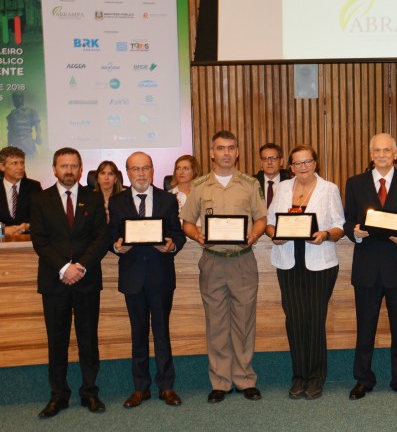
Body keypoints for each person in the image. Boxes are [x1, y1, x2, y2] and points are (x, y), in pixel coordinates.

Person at [180, 130, 267, 403]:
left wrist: (254, 234)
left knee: (244, 323)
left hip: (243, 262)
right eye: (221, 148)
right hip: (213, 263)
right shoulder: (200, 186)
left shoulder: (250, 184)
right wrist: (197, 236)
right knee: (216, 324)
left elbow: (261, 219)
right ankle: (220, 381)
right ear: (211, 153)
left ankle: (244, 379)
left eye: (231, 148)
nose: (226, 153)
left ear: (237, 152)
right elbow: (187, 222)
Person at [343, 133, 397, 400]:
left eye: (386, 150)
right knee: (365, 328)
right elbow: (348, 220)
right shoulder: (355, 184)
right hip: (367, 268)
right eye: (376, 150)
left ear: (396, 153)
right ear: (370, 154)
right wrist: (354, 231)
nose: (381, 155)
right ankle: (363, 379)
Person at [30, 147, 108, 417]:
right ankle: (58, 395)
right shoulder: (40, 200)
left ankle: (90, 393)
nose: (69, 171)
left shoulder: (94, 198)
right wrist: (64, 268)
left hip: (86, 281)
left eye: (74, 166)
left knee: (88, 339)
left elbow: (101, 237)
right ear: (54, 169)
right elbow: (39, 240)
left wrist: (81, 267)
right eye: (64, 166)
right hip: (55, 281)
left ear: (80, 168)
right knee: (57, 340)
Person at [108, 152, 187, 408]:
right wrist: (117, 247)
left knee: (162, 332)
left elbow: (178, 232)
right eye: (135, 169)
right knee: (138, 333)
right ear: (127, 172)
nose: (141, 174)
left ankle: (166, 386)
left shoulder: (167, 199)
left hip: (160, 275)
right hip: (132, 277)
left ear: (153, 171)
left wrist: (172, 244)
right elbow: (111, 236)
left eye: (145, 168)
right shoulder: (117, 201)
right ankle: (140, 388)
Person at [266, 144, 345, 400]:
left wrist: (325, 235)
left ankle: (316, 377)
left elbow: (339, 226)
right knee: (295, 321)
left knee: (314, 319)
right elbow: (269, 222)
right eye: (297, 164)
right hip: (288, 261)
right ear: (289, 167)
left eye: (307, 162)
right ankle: (298, 376)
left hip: (319, 263)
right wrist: (274, 236)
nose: (303, 168)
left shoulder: (329, 189)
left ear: (315, 163)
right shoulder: (281, 188)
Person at [0, 146, 42, 235]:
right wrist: (3, 230)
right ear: (2, 167)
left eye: (22, 163)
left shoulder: (34, 187)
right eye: (14, 163)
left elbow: (43, 216)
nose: (20, 167)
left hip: (27, 240)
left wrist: (28, 225)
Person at [6, 91, 42, 159]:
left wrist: (38, 135)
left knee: (31, 161)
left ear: (22, 98)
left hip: (27, 141)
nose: (17, 99)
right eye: (15, 97)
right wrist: (8, 146)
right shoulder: (11, 115)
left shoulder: (31, 111)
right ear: (13, 100)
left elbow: (37, 124)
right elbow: (10, 132)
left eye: (19, 97)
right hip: (16, 143)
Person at [254, 143, 290, 209]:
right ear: (261, 163)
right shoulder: (252, 183)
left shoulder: (290, 183)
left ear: (281, 162)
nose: (269, 162)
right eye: (265, 159)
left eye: (274, 158)